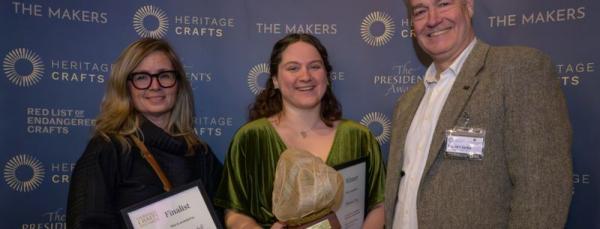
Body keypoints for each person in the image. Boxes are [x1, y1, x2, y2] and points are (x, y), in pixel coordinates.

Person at [384, 0, 573, 228]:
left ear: (469, 6)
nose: (433, 19)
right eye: (420, 11)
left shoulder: (517, 70)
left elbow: (543, 190)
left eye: (443, 3)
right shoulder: (406, 102)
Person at [214, 33, 386, 228]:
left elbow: (379, 205)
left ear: (327, 77)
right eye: (293, 68)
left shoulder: (358, 137)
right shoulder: (251, 139)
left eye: (315, 66)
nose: (305, 76)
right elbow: (235, 213)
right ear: (276, 80)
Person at [66, 38, 223, 229]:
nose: (155, 86)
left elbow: (226, 216)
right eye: (141, 77)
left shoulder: (200, 153)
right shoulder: (108, 149)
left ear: (178, 83)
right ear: (126, 86)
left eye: (164, 75)